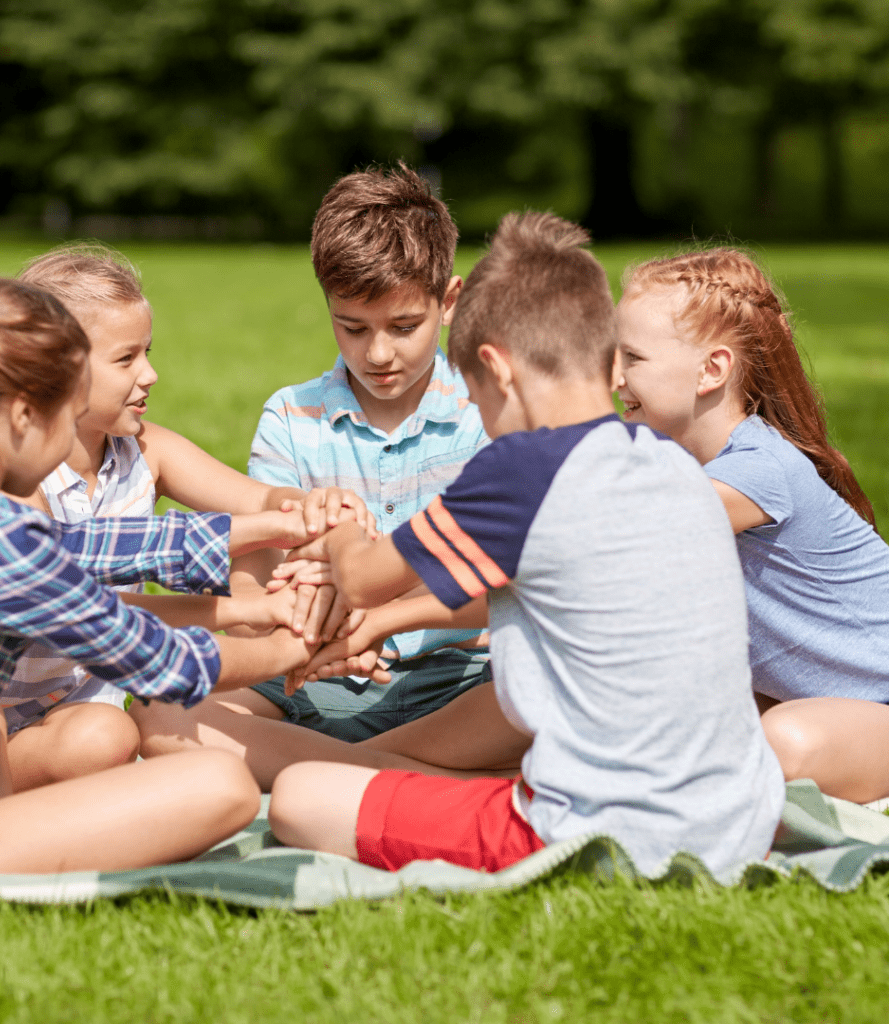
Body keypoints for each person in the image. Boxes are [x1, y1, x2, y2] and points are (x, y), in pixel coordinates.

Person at [267, 213, 785, 879]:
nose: (485, 420)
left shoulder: (521, 470)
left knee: (301, 795)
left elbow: (364, 577)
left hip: (608, 832)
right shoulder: (669, 462)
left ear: (495, 371)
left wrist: (338, 517)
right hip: (743, 819)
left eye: (478, 399)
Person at [0, 277, 318, 895]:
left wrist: (257, 538)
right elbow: (161, 661)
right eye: (69, 408)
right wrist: (295, 646)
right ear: (25, 415)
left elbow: (91, 548)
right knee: (221, 786)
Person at [134, 163, 492, 754]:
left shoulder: (488, 411)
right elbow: (253, 590)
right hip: (309, 673)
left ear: (449, 300)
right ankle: (379, 768)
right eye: (351, 327)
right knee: (158, 715)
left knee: (543, 697)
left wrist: (363, 603)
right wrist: (313, 634)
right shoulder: (290, 417)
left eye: (404, 326)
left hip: (456, 677)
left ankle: (328, 768)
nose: (377, 353)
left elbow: (501, 588)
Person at [0, 244, 370, 792]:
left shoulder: (145, 450)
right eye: (125, 360)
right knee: (78, 736)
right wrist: (262, 615)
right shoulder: (15, 477)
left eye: (147, 351)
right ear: (54, 370)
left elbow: (258, 500)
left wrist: (311, 506)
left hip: (71, 710)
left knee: (109, 736)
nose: (150, 374)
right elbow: (101, 608)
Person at [614, 247, 889, 804]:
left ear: (711, 370)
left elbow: (602, 538)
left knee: (782, 746)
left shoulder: (759, 471)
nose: (613, 375)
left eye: (632, 358)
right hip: (812, 700)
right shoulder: (670, 463)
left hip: (872, 705)